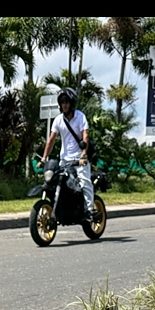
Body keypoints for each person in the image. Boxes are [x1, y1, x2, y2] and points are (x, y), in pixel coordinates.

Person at [42, 89, 95, 217]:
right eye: (62, 102)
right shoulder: (58, 120)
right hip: (64, 160)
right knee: (55, 182)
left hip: (79, 159)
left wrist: (83, 154)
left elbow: (85, 136)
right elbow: (51, 140)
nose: (64, 105)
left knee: (84, 182)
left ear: (72, 103)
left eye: (67, 102)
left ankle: (89, 210)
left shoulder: (80, 116)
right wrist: (44, 158)